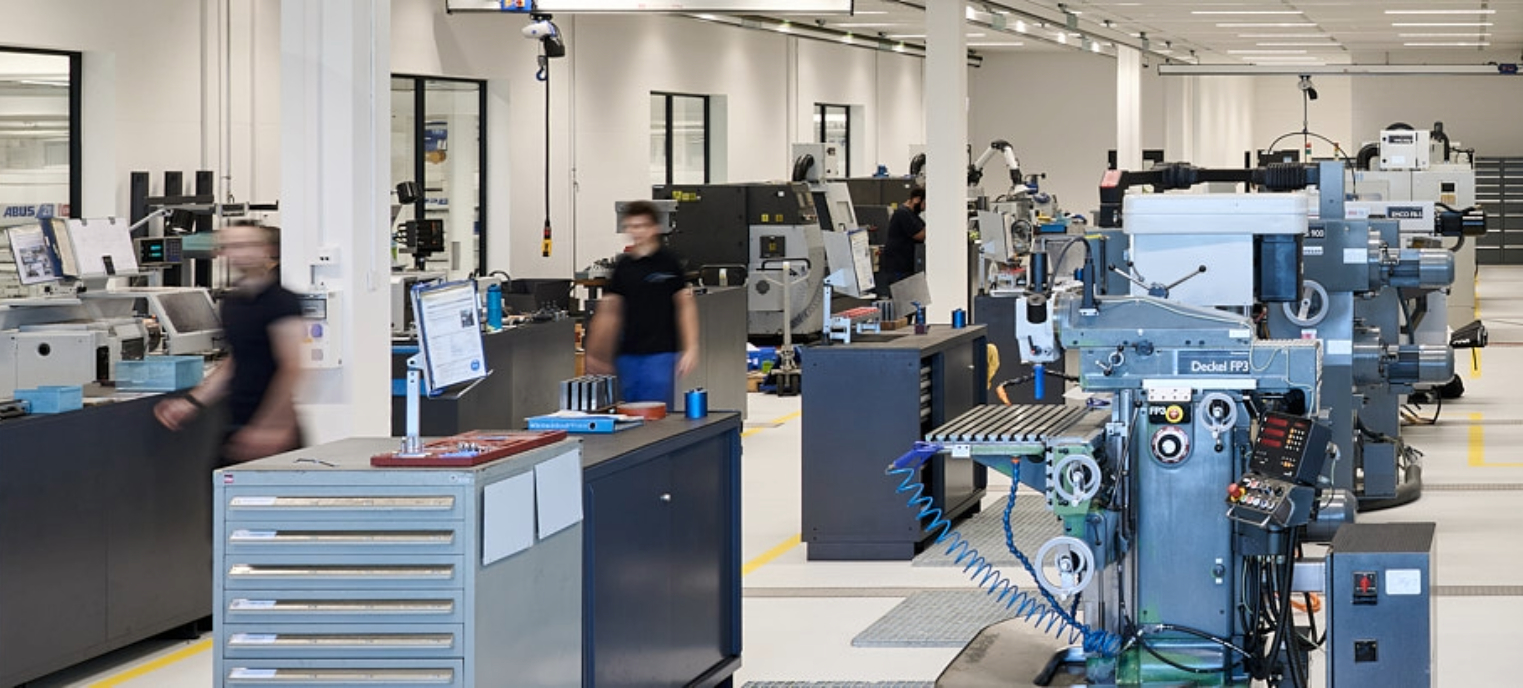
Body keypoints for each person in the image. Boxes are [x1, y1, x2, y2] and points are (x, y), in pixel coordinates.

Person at [155, 220, 306, 465]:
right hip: (238, 424)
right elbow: (236, 361)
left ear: (267, 249)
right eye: (233, 246)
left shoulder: (282, 302)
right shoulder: (233, 303)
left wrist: (273, 426)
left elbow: (292, 367)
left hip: (275, 432)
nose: (241, 252)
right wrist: (191, 402)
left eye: (248, 245)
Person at [584, 200, 699, 408]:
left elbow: (685, 306)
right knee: (627, 416)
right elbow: (609, 311)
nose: (637, 232)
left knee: (656, 415)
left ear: (654, 228)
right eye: (632, 226)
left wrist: (691, 348)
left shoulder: (669, 263)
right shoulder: (623, 267)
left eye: (642, 226)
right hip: (628, 356)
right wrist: (595, 353)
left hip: (660, 355)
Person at [879, 186, 926, 287]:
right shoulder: (903, 213)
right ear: (916, 199)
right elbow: (919, 235)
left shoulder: (912, 215)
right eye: (924, 204)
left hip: (906, 265)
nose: (924, 208)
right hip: (899, 266)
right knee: (902, 293)